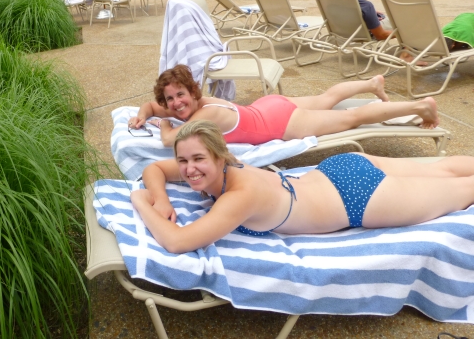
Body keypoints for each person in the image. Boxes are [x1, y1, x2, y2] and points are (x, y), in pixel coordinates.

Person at [130, 120, 474, 254]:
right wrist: (160, 198)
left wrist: (140, 201)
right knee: (441, 170)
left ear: (220, 156)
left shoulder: (240, 195)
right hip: (339, 170)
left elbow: (176, 242)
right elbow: (154, 168)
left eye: (197, 160)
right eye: (184, 161)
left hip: (360, 198)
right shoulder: (223, 166)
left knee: (462, 192)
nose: (189, 170)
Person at [128, 64, 439, 147]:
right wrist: (144, 115)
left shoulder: (203, 114)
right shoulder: (196, 104)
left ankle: (420, 107)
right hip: (267, 106)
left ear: (192, 92)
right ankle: (372, 85)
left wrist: (164, 124)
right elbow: (150, 106)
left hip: (279, 123)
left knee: (352, 117)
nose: (176, 103)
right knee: (327, 99)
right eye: (170, 99)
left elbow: (169, 139)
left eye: (180, 95)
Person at [345, 0, 420, 63]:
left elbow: (351, 12)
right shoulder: (366, 6)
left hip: (351, 31)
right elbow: (380, 35)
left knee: (393, 17)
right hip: (370, 32)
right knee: (411, 20)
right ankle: (406, 56)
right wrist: (404, 34)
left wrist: (372, 14)